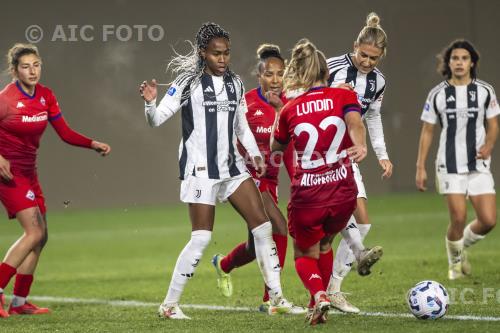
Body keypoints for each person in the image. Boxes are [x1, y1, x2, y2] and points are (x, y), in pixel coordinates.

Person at [139, 23, 294, 320]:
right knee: (201, 238)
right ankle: (169, 306)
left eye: (226, 53)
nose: (222, 59)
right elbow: (156, 120)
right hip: (200, 170)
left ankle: (277, 298)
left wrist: (254, 155)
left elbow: (241, 127)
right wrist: (149, 104)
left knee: (263, 227)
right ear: (203, 53)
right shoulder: (187, 82)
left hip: (233, 166)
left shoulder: (235, 83)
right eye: (216, 54)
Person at [0, 43, 111, 318]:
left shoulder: (45, 96)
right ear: (15, 71)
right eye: (25, 66)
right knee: (34, 232)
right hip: (7, 174)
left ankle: (19, 302)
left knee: (41, 238)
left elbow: (64, 132)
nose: (32, 70)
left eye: (36, 64)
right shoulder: (6, 99)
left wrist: (92, 143)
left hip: (29, 172)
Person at [271, 38, 369, 325]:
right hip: (342, 193)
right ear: (327, 72)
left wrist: (281, 111)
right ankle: (321, 301)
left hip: (309, 195)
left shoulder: (290, 108)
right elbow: (355, 124)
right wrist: (360, 146)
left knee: (304, 252)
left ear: (298, 74)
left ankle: (319, 296)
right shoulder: (344, 95)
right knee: (325, 244)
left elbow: (277, 147)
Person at [210, 44, 304, 314]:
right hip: (246, 176)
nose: (275, 79)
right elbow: (227, 137)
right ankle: (270, 300)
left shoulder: (288, 104)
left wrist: (296, 178)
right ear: (259, 75)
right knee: (278, 227)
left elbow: (289, 145)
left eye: (280, 74)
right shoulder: (247, 102)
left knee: (256, 246)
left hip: (270, 180)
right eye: (269, 74)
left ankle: (224, 264)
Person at [322, 12, 389, 313]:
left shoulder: (378, 82)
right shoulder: (333, 67)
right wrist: (333, 92)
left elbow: (372, 117)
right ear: (354, 47)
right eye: (363, 55)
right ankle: (317, 286)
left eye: (374, 58)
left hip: (348, 154)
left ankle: (333, 289)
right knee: (327, 225)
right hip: (320, 154)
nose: (367, 62)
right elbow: (305, 96)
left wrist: (382, 155)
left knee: (362, 221)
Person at [416, 39, 498, 280]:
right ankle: (455, 265)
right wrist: (420, 166)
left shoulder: (485, 91)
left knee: (489, 220)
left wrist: (489, 145)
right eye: (455, 58)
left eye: (464, 58)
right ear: (448, 63)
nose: (459, 62)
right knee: (459, 218)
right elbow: (427, 131)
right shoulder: (437, 94)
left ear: (472, 62)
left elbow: (493, 124)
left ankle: (461, 248)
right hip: (449, 165)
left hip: (478, 165)